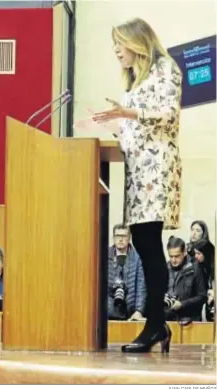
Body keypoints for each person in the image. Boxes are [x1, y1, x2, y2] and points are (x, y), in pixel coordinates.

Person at [93, 18, 182, 353]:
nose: (116, 50)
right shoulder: (135, 80)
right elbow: (137, 125)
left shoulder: (165, 67)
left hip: (156, 169)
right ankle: (157, 326)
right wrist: (116, 125)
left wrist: (129, 112)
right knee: (145, 247)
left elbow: (168, 112)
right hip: (139, 170)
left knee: (149, 246)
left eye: (120, 43)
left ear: (137, 41)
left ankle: (154, 326)